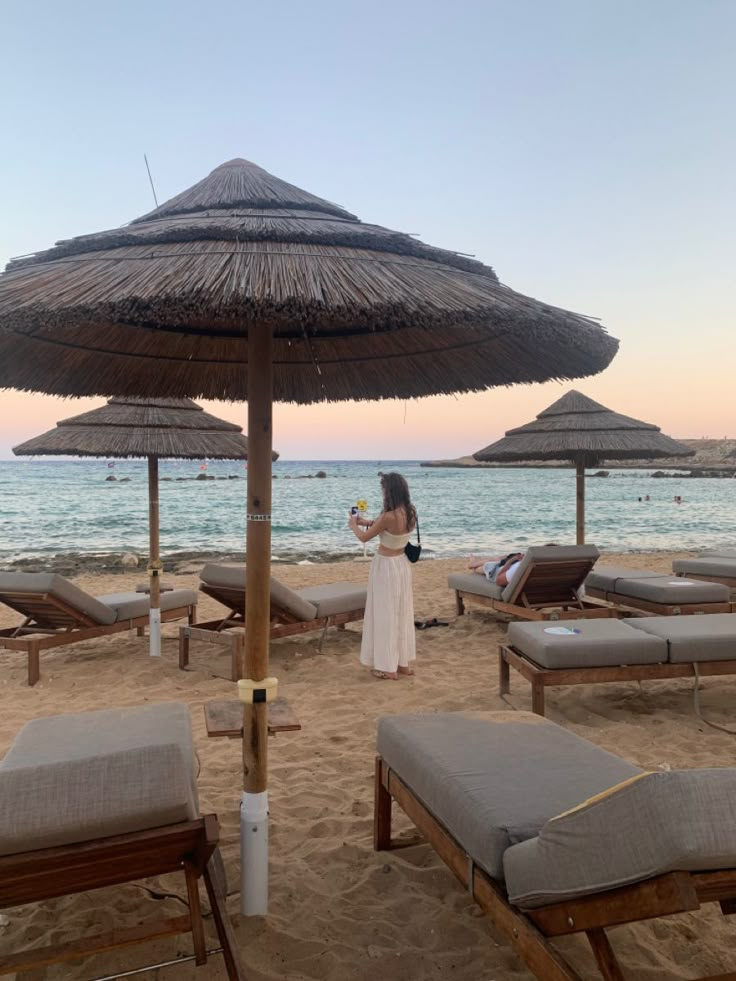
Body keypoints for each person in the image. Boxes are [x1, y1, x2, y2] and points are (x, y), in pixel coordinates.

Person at [348, 472, 417, 680]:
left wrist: (353, 525)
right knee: (400, 613)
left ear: (389, 491)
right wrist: (366, 521)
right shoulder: (410, 512)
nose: (382, 492)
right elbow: (387, 529)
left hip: (385, 567)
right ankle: (401, 663)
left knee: (385, 615)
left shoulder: (388, 516)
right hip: (401, 566)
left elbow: (364, 538)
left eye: (383, 489)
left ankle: (387, 668)